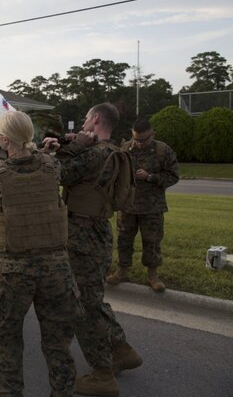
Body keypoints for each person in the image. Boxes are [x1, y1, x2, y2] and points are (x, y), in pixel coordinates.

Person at [0, 111, 83, 397]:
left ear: (2, 139)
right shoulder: (53, 167)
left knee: (8, 341)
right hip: (57, 271)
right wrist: (39, 151)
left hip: (14, 272)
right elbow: (43, 166)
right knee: (58, 346)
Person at [43, 103, 142, 397]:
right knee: (93, 300)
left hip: (83, 236)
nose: (84, 123)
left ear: (96, 118)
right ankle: (121, 349)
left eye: (86, 118)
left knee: (83, 306)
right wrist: (73, 145)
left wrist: (54, 150)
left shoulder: (96, 154)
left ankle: (102, 374)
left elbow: (56, 174)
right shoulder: (108, 150)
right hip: (94, 233)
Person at [107, 118, 179, 292]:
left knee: (152, 242)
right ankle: (122, 270)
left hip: (152, 207)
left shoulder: (162, 150)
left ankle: (153, 274)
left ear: (152, 134)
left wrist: (150, 177)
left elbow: (173, 176)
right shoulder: (124, 149)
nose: (139, 143)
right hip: (127, 207)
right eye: (136, 139)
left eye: (143, 140)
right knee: (124, 240)